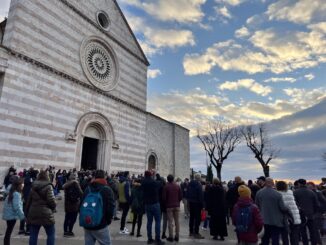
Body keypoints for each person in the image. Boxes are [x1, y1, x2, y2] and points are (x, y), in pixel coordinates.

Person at [80, 169, 115, 245]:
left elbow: (81, 204)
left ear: (94, 177)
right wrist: (108, 220)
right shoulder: (107, 190)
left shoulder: (88, 189)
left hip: (87, 223)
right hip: (101, 225)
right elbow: (111, 208)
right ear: (104, 177)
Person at [25, 170, 56, 245]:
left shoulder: (33, 186)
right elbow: (51, 201)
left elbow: (28, 201)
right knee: (51, 234)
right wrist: (54, 206)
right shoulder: (49, 186)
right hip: (46, 213)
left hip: (34, 212)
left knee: (33, 235)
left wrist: (27, 213)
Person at [255, 177, 289, 245]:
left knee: (265, 239)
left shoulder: (259, 193)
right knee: (275, 239)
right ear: (273, 183)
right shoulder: (278, 194)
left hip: (264, 220)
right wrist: (287, 208)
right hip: (276, 221)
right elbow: (282, 208)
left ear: (265, 183)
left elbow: (257, 206)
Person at [141, 170, 165, 245]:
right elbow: (162, 183)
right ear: (151, 175)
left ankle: (149, 239)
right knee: (158, 221)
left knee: (149, 222)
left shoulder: (143, 182)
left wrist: (153, 176)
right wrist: (156, 175)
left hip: (147, 204)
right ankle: (157, 239)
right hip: (155, 204)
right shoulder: (154, 182)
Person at [294, 179, 320, 245]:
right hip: (311, 215)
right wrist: (314, 213)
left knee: (303, 232)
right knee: (312, 231)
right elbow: (317, 204)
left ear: (299, 184)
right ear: (305, 183)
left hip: (301, 215)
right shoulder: (311, 192)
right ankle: (314, 243)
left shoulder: (295, 192)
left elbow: (294, 204)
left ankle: (305, 243)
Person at [276, 181, 301, 245]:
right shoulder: (290, 192)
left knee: (285, 235)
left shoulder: (277, 194)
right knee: (294, 236)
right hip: (295, 216)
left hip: (285, 217)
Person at [2, 177, 25, 245]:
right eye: (22, 183)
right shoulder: (17, 194)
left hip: (9, 215)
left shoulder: (12, 192)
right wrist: (22, 216)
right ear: (19, 185)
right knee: (8, 232)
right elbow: (17, 207)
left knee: (8, 232)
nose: (23, 185)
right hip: (12, 216)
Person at [162, 174, 182, 242]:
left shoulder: (166, 187)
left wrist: (167, 203)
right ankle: (177, 236)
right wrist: (177, 202)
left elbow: (164, 198)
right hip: (177, 206)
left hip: (169, 206)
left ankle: (171, 236)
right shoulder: (177, 186)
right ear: (173, 179)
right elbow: (180, 197)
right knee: (177, 221)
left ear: (167, 179)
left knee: (170, 222)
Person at [62, 172, 83, 237]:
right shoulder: (76, 183)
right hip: (74, 204)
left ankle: (65, 231)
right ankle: (70, 231)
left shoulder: (66, 184)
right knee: (73, 218)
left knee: (67, 218)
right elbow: (81, 193)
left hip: (67, 204)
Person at [187, 173, 205, 239]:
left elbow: (187, 193)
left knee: (191, 217)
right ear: (199, 178)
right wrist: (202, 205)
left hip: (191, 202)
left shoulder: (190, 183)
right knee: (197, 218)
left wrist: (188, 201)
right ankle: (196, 232)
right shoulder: (199, 185)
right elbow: (200, 196)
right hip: (197, 203)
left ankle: (191, 231)